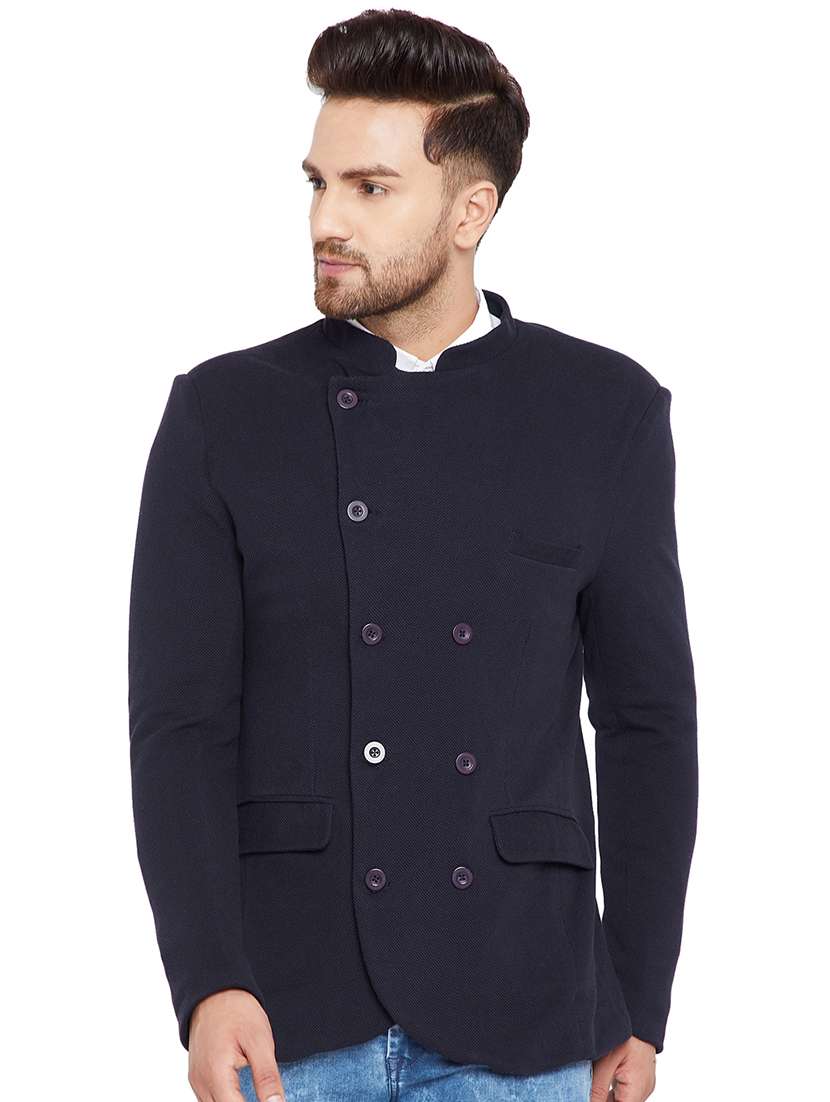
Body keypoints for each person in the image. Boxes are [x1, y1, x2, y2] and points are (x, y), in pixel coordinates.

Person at [128, 10, 698, 1102]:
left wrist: (637, 994)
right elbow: (181, 727)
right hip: (289, 1010)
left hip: (525, 1005)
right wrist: (208, 981)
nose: (325, 220)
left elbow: (646, 722)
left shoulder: (604, 410)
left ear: (469, 210)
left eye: (370, 188)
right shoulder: (222, 413)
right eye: (317, 182)